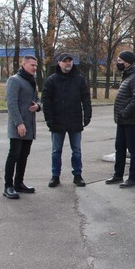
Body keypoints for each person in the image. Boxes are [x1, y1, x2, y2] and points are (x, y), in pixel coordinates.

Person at [41, 53, 92, 188]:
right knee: (56, 151)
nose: (68, 63)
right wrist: (49, 119)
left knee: (76, 150)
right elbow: (46, 102)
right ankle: (55, 176)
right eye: (65, 61)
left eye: (70, 61)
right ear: (59, 63)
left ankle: (77, 175)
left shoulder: (79, 79)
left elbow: (86, 98)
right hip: (57, 121)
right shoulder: (51, 80)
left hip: (75, 120)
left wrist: (87, 115)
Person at [105, 50, 135, 188]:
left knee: (133, 150)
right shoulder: (127, 76)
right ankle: (118, 175)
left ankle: (133, 178)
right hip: (122, 120)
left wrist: (125, 113)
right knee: (119, 148)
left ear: (127, 62)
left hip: (131, 120)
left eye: (120, 60)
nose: (118, 63)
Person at [3, 55, 41, 199]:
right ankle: (8, 186)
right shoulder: (14, 80)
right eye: (32, 65)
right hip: (18, 126)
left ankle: (19, 183)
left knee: (24, 155)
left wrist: (38, 106)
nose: (34, 68)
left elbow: (37, 100)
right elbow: (11, 104)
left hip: (29, 126)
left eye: (36, 66)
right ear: (24, 64)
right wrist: (19, 123)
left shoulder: (32, 81)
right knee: (14, 154)